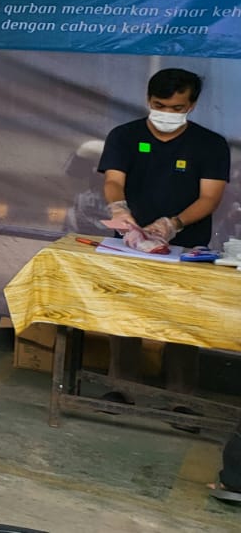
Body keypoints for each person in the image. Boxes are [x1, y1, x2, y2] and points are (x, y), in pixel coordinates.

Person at [96, 68, 230, 407]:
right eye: (160, 105)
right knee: (125, 316)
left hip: (188, 248)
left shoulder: (210, 145)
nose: (167, 114)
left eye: (177, 107)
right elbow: (114, 180)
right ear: (147, 100)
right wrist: (118, 207)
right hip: (131, 243)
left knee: (183, 321)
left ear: (192, 105)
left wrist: (174, 224)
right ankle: (123, 389)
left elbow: (210, 198)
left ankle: (181, 400)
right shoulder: (124, 136)